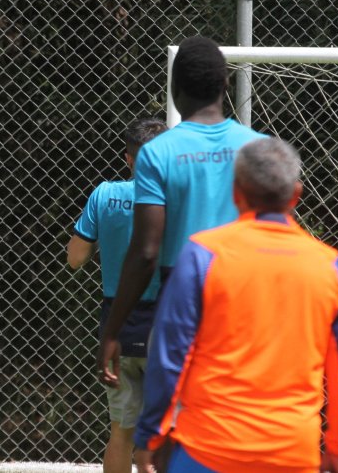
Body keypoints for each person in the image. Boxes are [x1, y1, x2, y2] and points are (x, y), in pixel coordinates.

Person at [134, 138, 338, 472]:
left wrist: (150, 436)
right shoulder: (329, 266)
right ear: (296, 194)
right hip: (292, 452)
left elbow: (170, 356)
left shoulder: (203, 254)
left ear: (236, 193)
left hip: (207, 449)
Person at [98, 37, 266, 387]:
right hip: (246, 298)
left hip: (183, 297)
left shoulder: (158, 153)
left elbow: (146, 252)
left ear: (174, 88)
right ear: (225, 84)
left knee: (174, 425)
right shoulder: (257, 147)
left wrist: (113, 329)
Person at [67, 117, 167, 473]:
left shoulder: (105, 194)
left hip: (116, 324)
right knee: (165, 432)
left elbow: (75, 258)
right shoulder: (179, 200)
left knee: (121, 431)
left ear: (128, 158)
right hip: (165, 325)